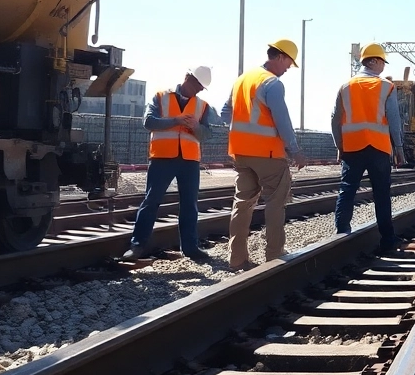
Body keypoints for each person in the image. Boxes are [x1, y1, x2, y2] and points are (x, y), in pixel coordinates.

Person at [221, 39, 307, 270]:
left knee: (242, 203)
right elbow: (283, 121)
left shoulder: (242, 80)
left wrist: (243, 134)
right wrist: (295, 151)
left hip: (241, 152)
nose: (289, 67)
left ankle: (237, 258)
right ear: (279, 57)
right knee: (275, 203)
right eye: (289, 61)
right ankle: (274, 256)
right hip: (268, 154)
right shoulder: (272, 83)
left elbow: (225, 112)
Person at [122, 66, 218, 263]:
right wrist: (176, 120)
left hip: (189, 160)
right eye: (197, 85)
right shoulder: (160, 97)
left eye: (202, 87)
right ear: (187, 78)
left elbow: (207, 134)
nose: (199, 90)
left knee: (190, 205)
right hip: (162, 158)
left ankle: (191, 248)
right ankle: (137, 246)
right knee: (151, 202)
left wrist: (196, 127)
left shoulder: (203, 106)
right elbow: (148, 122)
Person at [332, 43, 406, 253]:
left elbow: (334, 119)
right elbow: (393, 118)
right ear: (373, 61)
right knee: (382, 193)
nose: (383, 66)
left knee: (347, 190)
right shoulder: (386, 86)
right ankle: (388, 240)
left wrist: (340, 145)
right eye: (382, 61)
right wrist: (398, 147)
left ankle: (341, 234)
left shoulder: (345, 86)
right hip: (378, 148)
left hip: (353, 147)